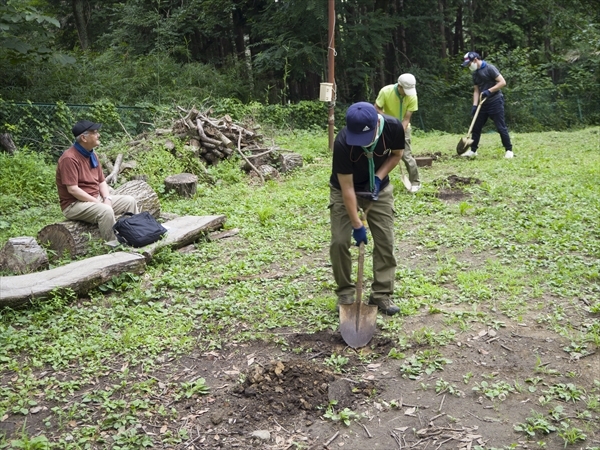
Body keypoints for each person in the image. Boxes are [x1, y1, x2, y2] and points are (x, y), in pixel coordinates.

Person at [329, 102, 404, 315]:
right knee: (339, 241)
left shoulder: (393, 127)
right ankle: (345, 293)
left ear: (376, 124)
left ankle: (381, 294)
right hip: (346, 189)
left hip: (379, 188)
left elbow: (396, 155)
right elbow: (347, 189)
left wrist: (379, 178)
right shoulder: (343, 142)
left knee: (385, 241)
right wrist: (357, 225)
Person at [56, 120, 138, 242]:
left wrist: (107, 199)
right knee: (106, 211)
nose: (98, 135)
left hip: (95, 198)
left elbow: (101, 181)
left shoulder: (92, 154)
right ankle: (115, 244)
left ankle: (135, 234)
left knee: (130, 201)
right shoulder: (69, 158)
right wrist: (98, 203)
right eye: (94, 132)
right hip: (74, 204)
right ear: (84, 138)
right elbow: (73, 189)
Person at [461, 51, 514, 158]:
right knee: (476, 127)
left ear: (475, 60)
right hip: (482, 104)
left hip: (495, 101)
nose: (469, 67)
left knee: (500, 127)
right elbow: (476, 91)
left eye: (469, 64)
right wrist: (475, 105)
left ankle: (509, 150)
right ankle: (473, 151)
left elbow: (502, 82)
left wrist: (489, 91)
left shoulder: (490, 68)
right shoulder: (475, 73)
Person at [374, 73, 421, 192]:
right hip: (384, 126)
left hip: (403, 128)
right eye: (405, 90)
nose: (407, 93)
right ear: (399, 86)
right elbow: (376, 108)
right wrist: (388, 121)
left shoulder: (412, 96)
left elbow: (406, 119)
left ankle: (415, 182)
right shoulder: (386, 91)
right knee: (380, 153)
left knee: (406, 155)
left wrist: (399, 132)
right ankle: (376, 180)